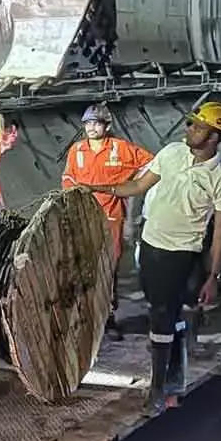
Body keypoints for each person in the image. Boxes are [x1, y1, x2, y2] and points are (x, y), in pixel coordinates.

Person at [78, 101, 221, 416]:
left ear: (215, 137)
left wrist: (212, 276)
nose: (189, 130)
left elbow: (220, 231)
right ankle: (176, 350)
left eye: (198, 127)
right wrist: (97, 188)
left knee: (162, 315)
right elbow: (138, 185)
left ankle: (159, 386)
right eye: (191, 124)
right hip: (149, 246)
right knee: (163, 311)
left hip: (181, 254)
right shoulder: (171, 153)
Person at [60, 103, 153, 340]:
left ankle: (109, 316)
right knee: (83, 267)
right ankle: (85, 317)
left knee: (108, 270)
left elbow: (151, 163)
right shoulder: (77, 150)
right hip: (82, 217)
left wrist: (131, 186)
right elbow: (68, 178)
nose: (91, 128)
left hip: (111, 218)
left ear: (107, 125)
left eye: (96, 123)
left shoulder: (120, 149)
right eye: (88, 123)